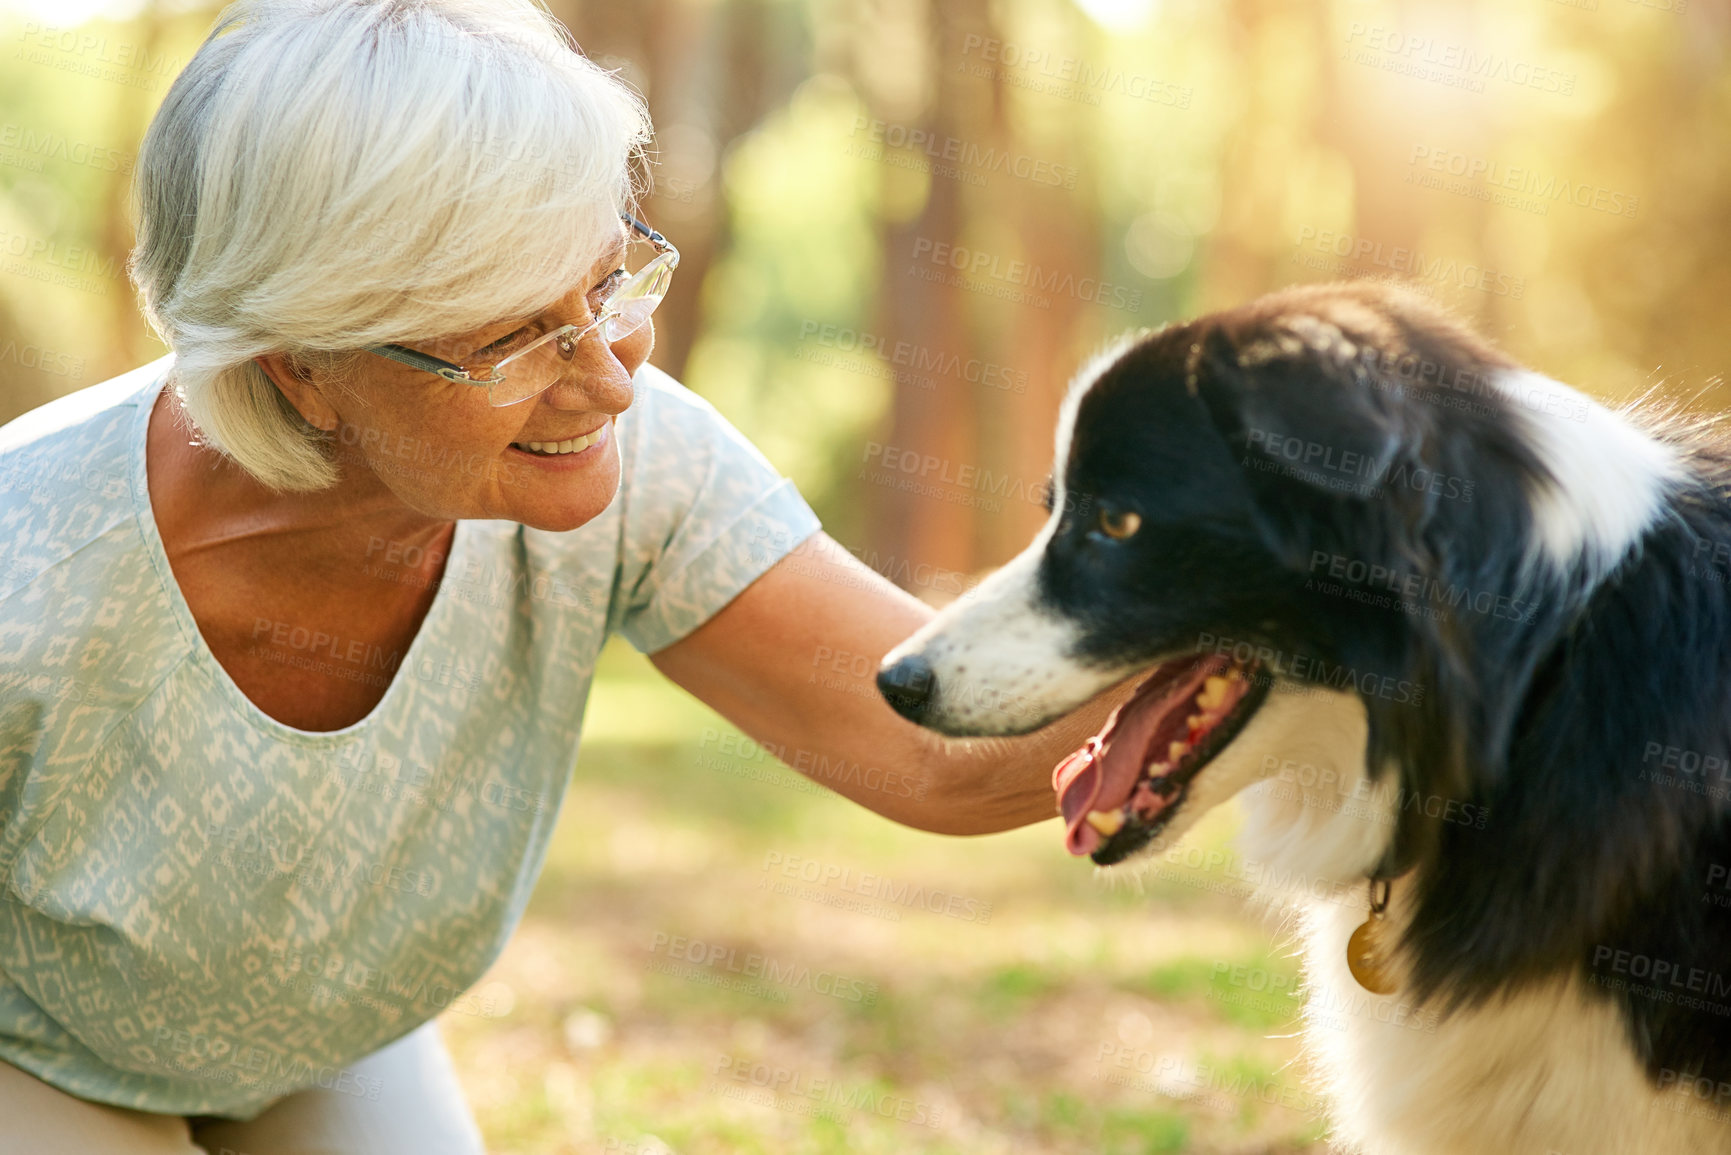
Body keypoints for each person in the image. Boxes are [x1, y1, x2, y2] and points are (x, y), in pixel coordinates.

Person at [0, 1, 1113, 1150]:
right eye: (513, 339)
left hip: (321, 1041)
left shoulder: (632, 465)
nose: (610, 381)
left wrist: (1257, 628)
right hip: (29, 1052)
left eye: (606, 281)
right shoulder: (24, 570)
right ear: (302, 371)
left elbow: (934, 750)